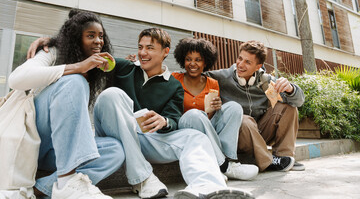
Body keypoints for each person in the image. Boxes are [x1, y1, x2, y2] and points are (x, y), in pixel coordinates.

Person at [92, 28, 254, 199]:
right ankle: (142, 178)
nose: (142, 53)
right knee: (111, 95)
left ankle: (207, 186)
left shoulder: (173, 85)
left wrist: (164, 121)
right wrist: (98, 60)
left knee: (195, 136)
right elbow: (97, 62)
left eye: (150, 48)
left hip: (147, 138)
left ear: (165, 52)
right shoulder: (126, 67)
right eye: (140, 47)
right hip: (116, 130)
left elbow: (174, 118)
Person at [9, 9, 124, 199]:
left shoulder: (96, 72)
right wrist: (77, 68)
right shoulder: (52, 53)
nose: (98, 41)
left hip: (59, 152)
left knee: (114, 149)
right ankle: (65, 181)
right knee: (74, 81)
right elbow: (16, 79)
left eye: (101, 36)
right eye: (90, 36)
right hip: (34, 140)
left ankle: (38, 190)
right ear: (76, 39)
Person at [206, 40, 305, 172]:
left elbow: (299, 101)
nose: (240, 64)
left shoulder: (266, 81)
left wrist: (291, 89)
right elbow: (193, 77)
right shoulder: (222, 77)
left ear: (258, 66)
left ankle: (284, 157)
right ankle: (268, 162)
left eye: (248, 62)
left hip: (259, 132)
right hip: (238, 137)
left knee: (289, 108)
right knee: (244, 119)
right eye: (240, 58)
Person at [171, 38, 258, 181]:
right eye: (188, 59)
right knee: (194, 114)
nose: (192, 64)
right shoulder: (174, 78)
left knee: (234, 107)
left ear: (205, 62)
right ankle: (223, 165)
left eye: (198, 60)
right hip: (184, 129)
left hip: (206, 128)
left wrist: (216, 108)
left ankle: (230, 158)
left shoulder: (212, 83)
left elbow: (209, 118)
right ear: (182, 60)